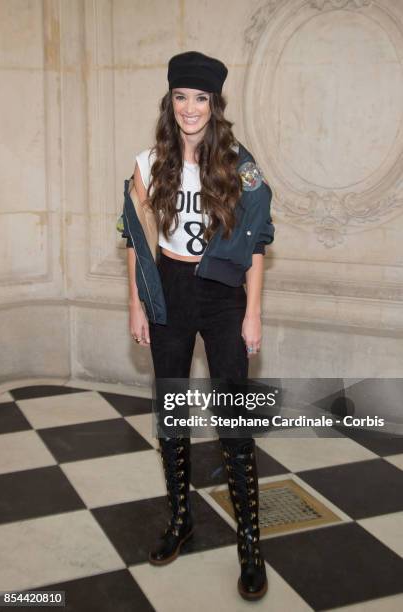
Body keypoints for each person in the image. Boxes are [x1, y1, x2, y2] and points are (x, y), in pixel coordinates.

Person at [121, 51, 275, 601]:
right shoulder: (148, 164)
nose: (191, 108)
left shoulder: (237, 163)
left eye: (201, 98)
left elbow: (256, 243)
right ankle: (181, 518)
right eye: (182, 97)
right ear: (172, 101)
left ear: (215, 104)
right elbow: (138, 245)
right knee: (171, 410)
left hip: (222, 294)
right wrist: (139, 304)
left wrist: (252, 312)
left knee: (234, 416)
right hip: (168, 289)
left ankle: (250, 544)